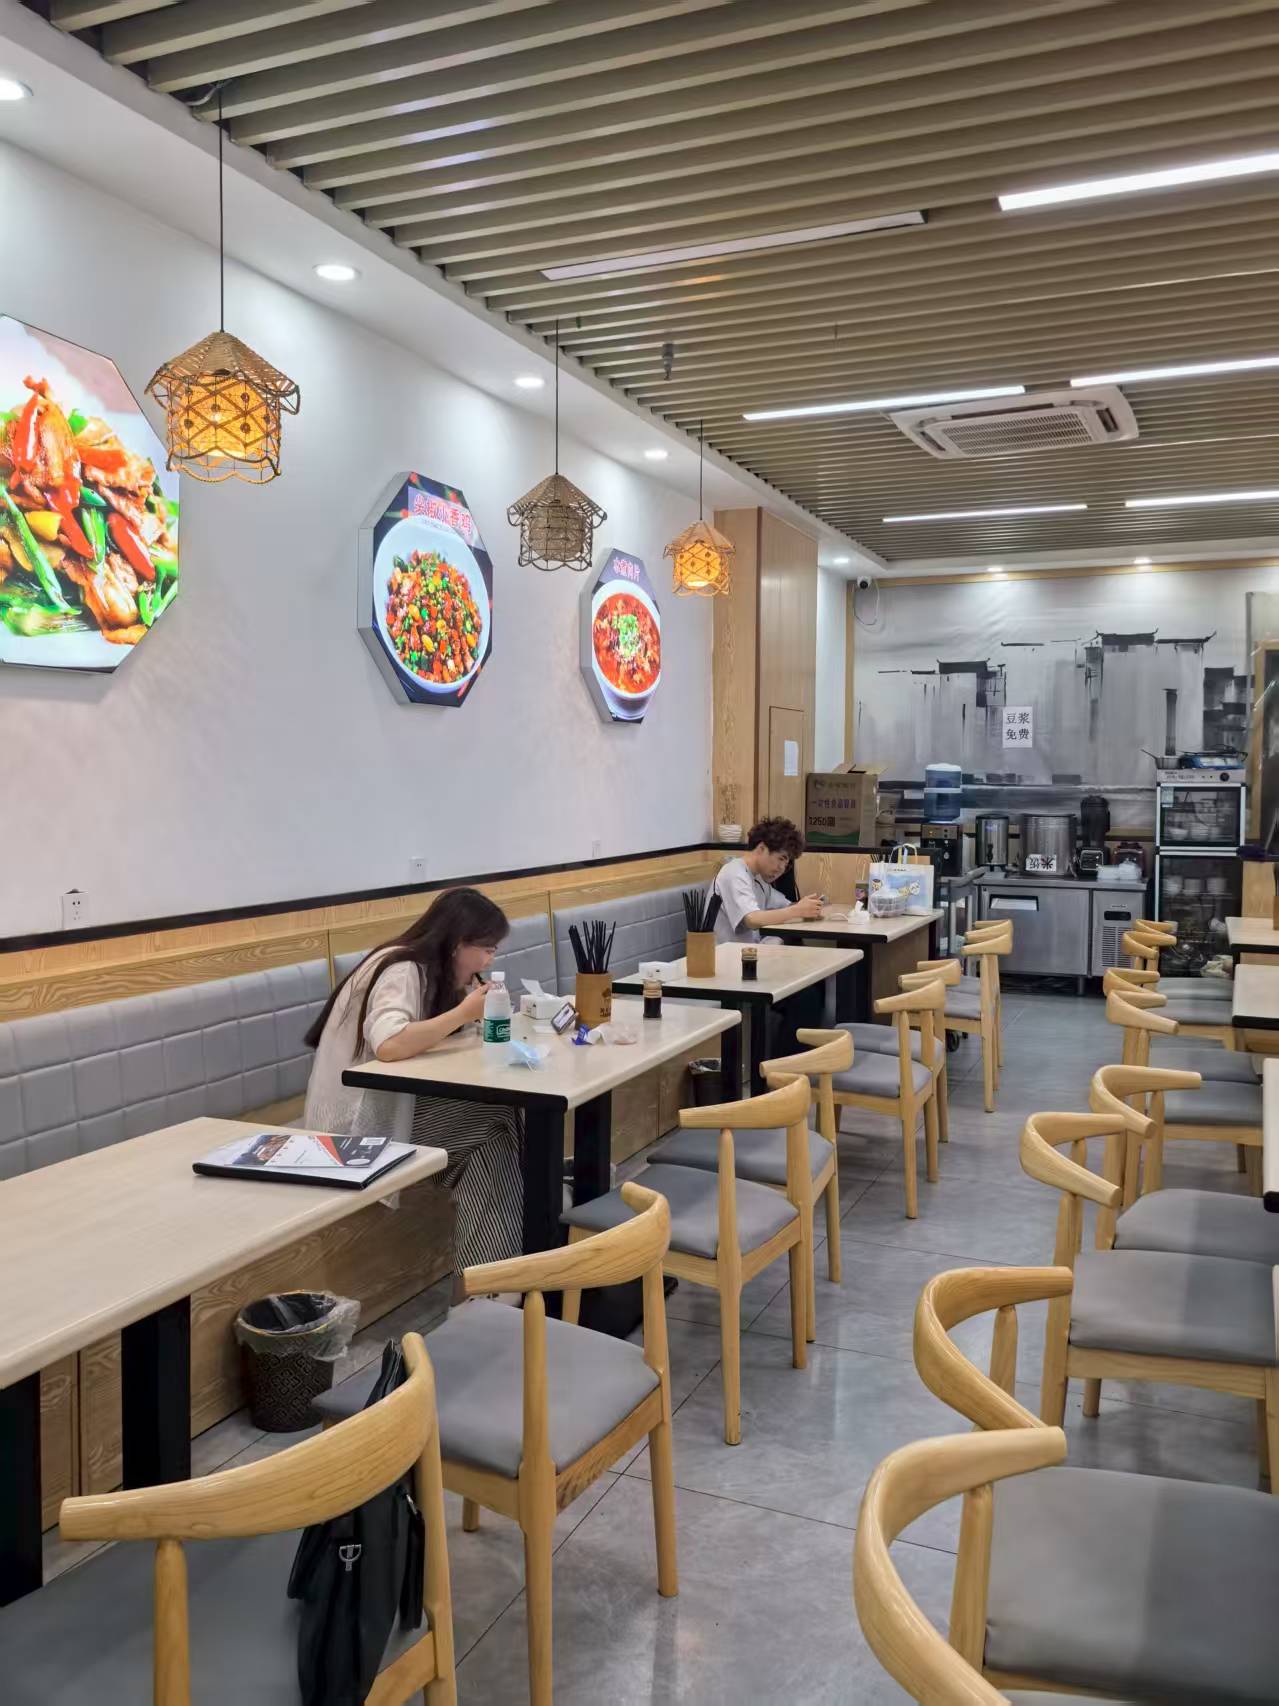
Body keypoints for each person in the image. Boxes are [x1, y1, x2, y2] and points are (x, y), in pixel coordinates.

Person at [303, 887, 522, 1274]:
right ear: (458, 942)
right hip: (353, 1128)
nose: (489, 960)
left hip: (392, 1105)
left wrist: (465, 1007)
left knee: (495, 1136)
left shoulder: (434, 970)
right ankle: (494, 1278)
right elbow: (389, 1044)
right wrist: (463, 1012)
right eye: (487, 950)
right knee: (496, 1119)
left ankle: (490, 1279)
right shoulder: (401, 968)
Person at [713, 816, 824, 945]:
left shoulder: (758, 878)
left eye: (786, 864)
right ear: (761, 849)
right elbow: (752, 919)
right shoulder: (734, 872)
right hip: (728, 954)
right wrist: (797, 911)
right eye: (781, 859)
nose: (782, 868)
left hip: (750, 950)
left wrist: (809, 906)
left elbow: (785, 905)